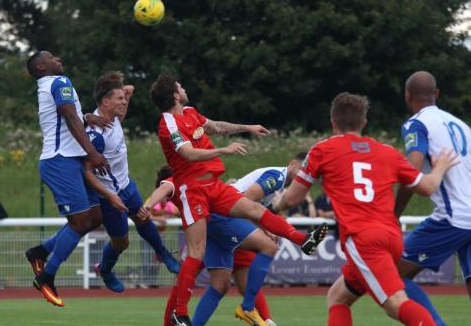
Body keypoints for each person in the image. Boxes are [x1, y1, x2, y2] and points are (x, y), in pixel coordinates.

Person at [150, 74, 328, 326]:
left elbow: (215, 126)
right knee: (201, 254)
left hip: (213, 186)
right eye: (181, 86)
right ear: (175, 95)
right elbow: (187, 154)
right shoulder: (168, 123)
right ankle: (184, 314)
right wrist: (223, 150)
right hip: (194, 190)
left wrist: (247, 128)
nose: (184, 88)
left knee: (223, 277)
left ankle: (302, 241)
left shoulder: (190, 112)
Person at [273, 92, 458, 326]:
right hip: (392, 236)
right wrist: (440, 167)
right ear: (364, 123)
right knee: (338, 297)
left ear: (333, 123)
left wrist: (275, 205)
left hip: (364, 239)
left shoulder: (323, 150)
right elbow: (428, 186)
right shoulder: (388, 152)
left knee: (396, 303)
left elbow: (291, 199)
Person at [142, 157, 305, 326]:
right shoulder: (180, 181)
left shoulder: (193, 185)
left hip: (213, 225)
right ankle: (257, 314)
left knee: (218, 283)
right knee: (264, 251)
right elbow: (247, 202)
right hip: (223, 222)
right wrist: (148, 207)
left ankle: (259, 317)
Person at [23, 51, 109, 307]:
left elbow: (69, 117)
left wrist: (87, 117)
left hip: (69, 159)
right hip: (60, 160)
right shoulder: (60, 82)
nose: (58, 58)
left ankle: (39, 252)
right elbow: (69, 117)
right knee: (81, 221)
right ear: (41, 66)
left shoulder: (47, 85)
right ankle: (46, 277)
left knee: (95, 218)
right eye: (51, 57)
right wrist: (92, 153)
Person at [82, 71, 179, 293]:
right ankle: (105, 270)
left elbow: (130, 88)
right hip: (109, 195)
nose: (124, 101)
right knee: (121, 243)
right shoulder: (95, 135)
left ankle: (163, 253)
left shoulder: (114, 117)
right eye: (119, 99)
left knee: (144, 218)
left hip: (126, 185)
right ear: (106, 101)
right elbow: (86, 173)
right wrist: (109, 196)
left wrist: (121, 89)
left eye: (123, 98)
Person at [393, 71, 471, 326]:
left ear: (407, 97)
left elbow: (411, 168)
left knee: (392, 277)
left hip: (453, 218)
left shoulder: (417, 123)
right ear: (437, 94)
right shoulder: (462, 126)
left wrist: (392, 214)